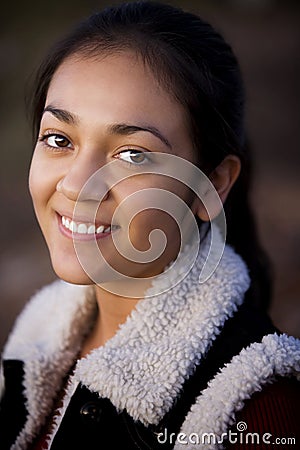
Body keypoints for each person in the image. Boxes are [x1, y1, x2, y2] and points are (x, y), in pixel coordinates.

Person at [0, 2, 299, 449]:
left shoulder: (259, 409)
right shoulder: (34, 343)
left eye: (132, 154)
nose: (79, 185)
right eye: (59, 140)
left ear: (211, 184)